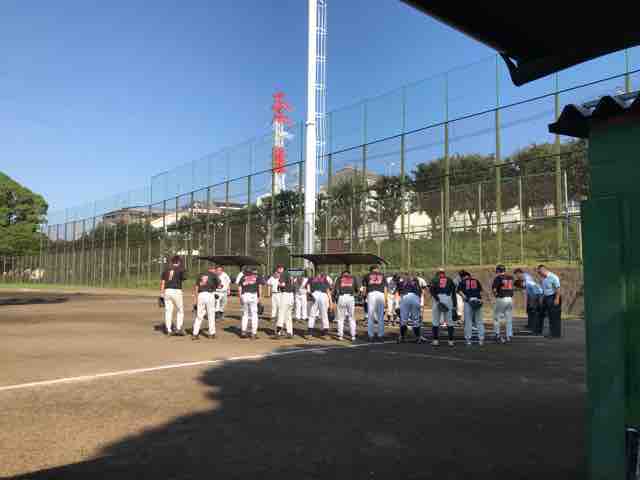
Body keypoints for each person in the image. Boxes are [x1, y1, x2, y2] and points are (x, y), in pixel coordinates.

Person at [191, 264, 220, 340]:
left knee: (199, 315)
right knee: (211, 315)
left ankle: (195, 334)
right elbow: (218, 285)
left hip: (201, 295)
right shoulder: (213, 275)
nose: (215, 271)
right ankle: (212, 333)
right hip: (209, 295)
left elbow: (196, 287)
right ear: (213, 269)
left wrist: (196, 299)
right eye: (215, 270)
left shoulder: (200, 275)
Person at [429, 268, 457, 347]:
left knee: (435, 321)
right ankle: (451, 341)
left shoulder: (435, 279)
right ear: (444, 273)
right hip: (448, 298)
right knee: (449, 321)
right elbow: (453, 293)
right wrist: (455, 305)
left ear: (438, 273)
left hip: (438, 298)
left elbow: (431, 290)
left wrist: (437, 300)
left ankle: (435, 341)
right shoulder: (450, 279)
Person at [159, 256, 186, 336]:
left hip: (167, 291)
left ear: (172, 262)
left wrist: (161, 294)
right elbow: (184, 278)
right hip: (176, 290)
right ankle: (178, 328)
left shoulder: (166, 270)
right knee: (180, 310)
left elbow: (163, 282)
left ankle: (168, 330)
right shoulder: (181, 269)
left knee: (168, 311)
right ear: (178, 262)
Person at [457, 270, 485, 346]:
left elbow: (459, 291)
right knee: (479, 321)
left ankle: (468, 339)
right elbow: (481, 291)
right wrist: (481, 299)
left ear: (463, 277)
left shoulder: (462, 282)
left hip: (469, 301)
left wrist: (465, 298)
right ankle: (481, 339)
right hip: (477, 300)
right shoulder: (476, 280)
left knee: (468, 321)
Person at [396, 273, 425, 343]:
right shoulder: (416, 283)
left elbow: (399, 292)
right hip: (415, 298)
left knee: (403, 320)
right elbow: (420, 293)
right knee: (416, 320)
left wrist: (397, 305)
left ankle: (402, 337)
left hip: (405, 297)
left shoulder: (402, 283)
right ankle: (418, 338)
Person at [362, 265, 388, 342]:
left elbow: (364, 288)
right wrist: (386, 300)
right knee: (380, 316)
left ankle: (371, 336)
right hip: (381, 294)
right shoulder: (382, 275)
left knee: (370, 315)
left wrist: (364, 297)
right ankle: (380, 335)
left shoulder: (367, 275)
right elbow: (385, 288)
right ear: (377, 269)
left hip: (371, 294)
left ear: (371, 270)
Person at [514, 268, 543, 334]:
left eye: (517, 275)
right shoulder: (525, 281)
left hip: (536, 295)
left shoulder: (527, 280)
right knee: (530, 310)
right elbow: (523, 288)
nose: (517, 277)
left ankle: (535, 327)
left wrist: (532, 302)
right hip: (534, 295)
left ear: (519, 273)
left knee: (534, 311)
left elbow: (535, 291)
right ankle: (531, 325)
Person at [537, 265, 562, 338]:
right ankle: (551, 332)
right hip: (547, 297)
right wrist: (542, 298)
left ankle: (556, 334)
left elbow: (558, 289)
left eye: (540, 272)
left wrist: (557, 299)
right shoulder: (543, 279)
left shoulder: (553, 277)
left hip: (554, 297)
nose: (539, 274)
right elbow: (544, 290)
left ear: (543, 270)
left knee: (554, 317)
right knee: (550, 316)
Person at [492, 264, 515, 344]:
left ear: (498, 271)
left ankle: (497, 334)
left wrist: (496, 296)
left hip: (501, 298)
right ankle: (509, 335)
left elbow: (494, 290)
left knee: (497, 317)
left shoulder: (498, 278)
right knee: (509, 318)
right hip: (510, 299)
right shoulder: (510, 277)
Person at [334, 270, 359, 342]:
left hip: (341, 297)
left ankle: (340, 336)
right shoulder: (353, 278)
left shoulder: (339, 278)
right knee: (351, 317)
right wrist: (355, 294)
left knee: (341, 318)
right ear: (349, 274)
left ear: (342, 274)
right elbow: (357, 289)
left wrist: (335, 298)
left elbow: (335, 289)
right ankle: (353, 336)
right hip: (350, 297)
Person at [306, 271, 333, 339]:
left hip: (314, 294)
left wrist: (310, 295)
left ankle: (309, 333)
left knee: (312, 315)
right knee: (324, 315)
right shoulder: (324, 278)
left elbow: (308, 289)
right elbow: (328, 290)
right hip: (323, 295)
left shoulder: (311, 278)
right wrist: (331, 302)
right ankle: (325, 334)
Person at [238, 267, 262, 339]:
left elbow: (240, 288)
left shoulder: (242, 277)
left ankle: (243, 332)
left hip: (244, 295)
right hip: (253, 295)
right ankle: (253, 333)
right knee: (254, 314)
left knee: (245, 314)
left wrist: (240, 297)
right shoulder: (256, 277)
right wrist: (259, 297)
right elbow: (260, 287)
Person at [275, 269, 296, 339]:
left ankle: (278, 332)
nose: (277, 272)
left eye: (278, 270)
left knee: (281, 313)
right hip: (291, 296)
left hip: (285, 295)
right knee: (288, 315)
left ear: (281, 269)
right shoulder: (290, 275)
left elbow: (283, 284)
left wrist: (279, 285)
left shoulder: (284, 274)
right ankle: (290, 332)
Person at [267, 265, 285, 330]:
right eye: (275, 273)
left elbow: (284, 285)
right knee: (274, 306)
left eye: (277, 273)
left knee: (280, 306)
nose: (276, 274)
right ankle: (273, 317)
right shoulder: (272, 278)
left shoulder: (282, 278)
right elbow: (268, 284)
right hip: (274, 293)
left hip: (279, 293)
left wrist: (280, 284)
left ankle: (280, 318)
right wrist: (269, 293)